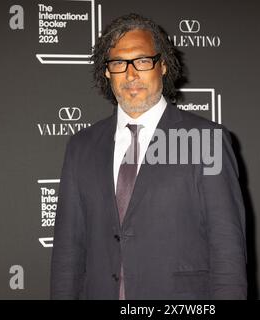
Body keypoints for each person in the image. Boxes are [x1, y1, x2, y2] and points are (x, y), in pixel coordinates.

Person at [50, 13, 247, 300]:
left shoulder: (206, 140)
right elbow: (68, 251)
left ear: (163, 65)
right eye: (118, 63)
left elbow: (227, 248)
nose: (131, 75)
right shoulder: (81, 146)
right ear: (107, 72)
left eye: (142, 61)